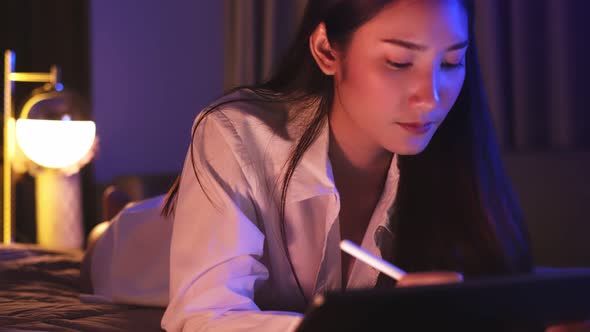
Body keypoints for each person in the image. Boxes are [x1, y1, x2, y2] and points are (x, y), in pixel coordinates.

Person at [84, 0, 560, 330]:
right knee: (109, 238)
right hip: (135, 250)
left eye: (451, 63)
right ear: (327, 51)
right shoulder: (238, 132)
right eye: (398, 63)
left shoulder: (451, 157)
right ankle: (111, 216)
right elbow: (205, 315)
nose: (431, 97)